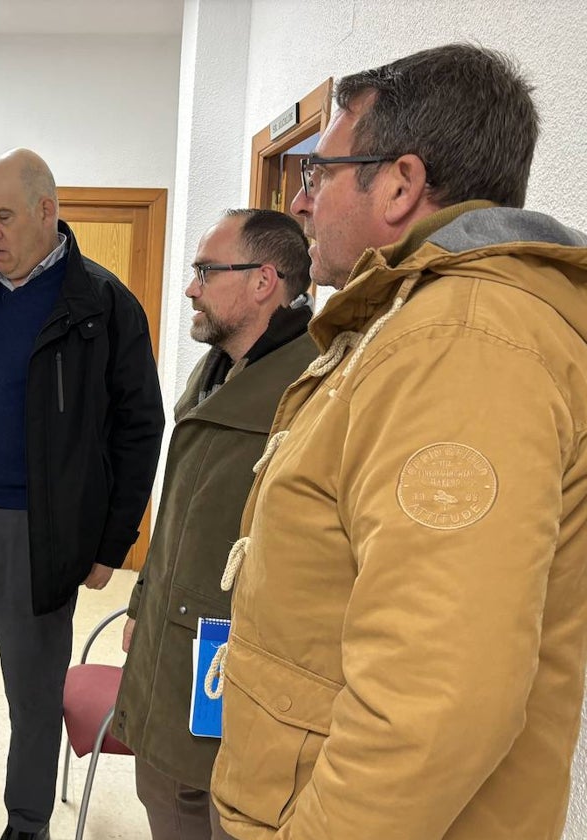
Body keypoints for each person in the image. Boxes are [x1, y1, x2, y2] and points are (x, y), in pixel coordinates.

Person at [210, 44, 587, 840]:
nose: (302, 204)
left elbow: (435, 704)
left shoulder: (466, 343)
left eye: (319, 174)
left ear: (400, 183)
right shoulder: (414, 322)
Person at [0, 148, 165, 840]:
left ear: (46, 212)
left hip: (41, 529)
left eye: (3, 216)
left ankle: (27, 820)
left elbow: (141, 427)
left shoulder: (102, 302)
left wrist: (111, 543)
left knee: (32, 688)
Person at [111, 209, 314, 840]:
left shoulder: (310, 385)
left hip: (239, 656)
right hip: (174, 640)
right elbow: (179, 511)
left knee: (225, 813)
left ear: (263, 281)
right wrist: (141, 601)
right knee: (165, 790)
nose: (191, 287)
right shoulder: (219, 368)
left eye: (205, 270)